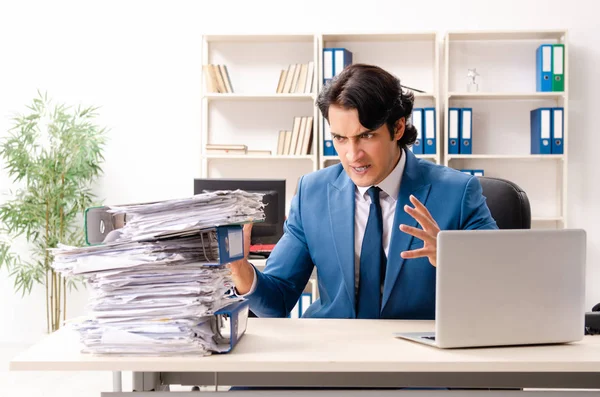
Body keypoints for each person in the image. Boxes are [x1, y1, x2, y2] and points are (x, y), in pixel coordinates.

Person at [230, 63, 498, 320]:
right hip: (334, 349)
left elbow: (504, 286)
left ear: (398, 128)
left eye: (366, 136)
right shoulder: (312, 193)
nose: (352, 155)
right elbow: (277, 302)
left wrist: (455, 261)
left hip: (418, 354)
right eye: (340, 138)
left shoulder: (458, 193)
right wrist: (241, 271)